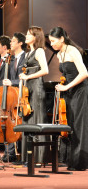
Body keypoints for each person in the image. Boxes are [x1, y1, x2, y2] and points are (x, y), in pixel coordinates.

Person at [49, 26, 88, 171]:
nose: (51, 44)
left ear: (62, 39)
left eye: (53, 41)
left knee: (79, 126)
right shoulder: (60, 54)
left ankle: (81, 162)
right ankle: (72, 160)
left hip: (80, 91)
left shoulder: (73, 51)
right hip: (70, 91)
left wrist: (66, 87)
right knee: (71, 126)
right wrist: (62, 85)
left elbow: (84, 73)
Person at [19, 26, 49, 165]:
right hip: (28, 89)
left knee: (36, 119)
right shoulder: (27, 53)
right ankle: (29, 157)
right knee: (28, 120)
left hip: (36, 87)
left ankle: (39, 158)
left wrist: (28, 76)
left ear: (36, 37)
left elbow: (45, 70)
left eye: (28, 34)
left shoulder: (39, 51)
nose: (26, 36)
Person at [2, 33, 27, 162]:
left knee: (20, 122)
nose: (10, 43)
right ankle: (10, 152)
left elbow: (24, 77)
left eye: (13, 41)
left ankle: (22, 154)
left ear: (20, 43)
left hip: (22, 95)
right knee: (10, 122)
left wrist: (13, 82)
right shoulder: (11, 59)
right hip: (12, 96)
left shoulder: (25, 57)